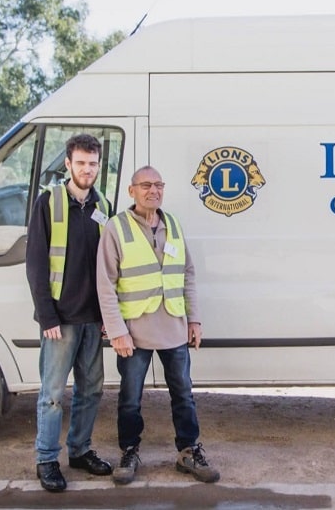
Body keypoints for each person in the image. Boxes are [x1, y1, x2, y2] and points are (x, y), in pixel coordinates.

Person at [96, 165, 220, 485]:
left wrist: (194, 319)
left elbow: (187, 274)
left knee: (183, 394)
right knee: (130, 396)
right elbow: (105, 284)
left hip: (174, 328)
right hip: (134, 332)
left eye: (159, 185)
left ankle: (188, 451)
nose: (154, 190)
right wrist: (117, 330)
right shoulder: (116, 228)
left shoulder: (173, 224)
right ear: (132, 191)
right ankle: (129, 451)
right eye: (146, 185)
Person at [25, 133, 114, 492]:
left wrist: (110, 317)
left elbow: (110, 265)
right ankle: (47, 459)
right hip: (60, 321)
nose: (87, 170)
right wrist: (46, 316)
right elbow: (35, 263)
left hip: (94, 318)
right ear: (68, 164)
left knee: (91, 391)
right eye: (81, 163)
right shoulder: (49, 202)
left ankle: (79, 451)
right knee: (51, 394)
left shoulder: (103, 204)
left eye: (93, 164)